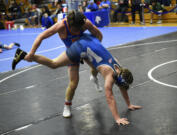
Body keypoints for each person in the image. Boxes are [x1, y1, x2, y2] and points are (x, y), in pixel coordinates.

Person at [12, 33, 142, 125]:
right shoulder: (109, 77)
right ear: (119, 78)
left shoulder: (119, 67)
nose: (124, 88)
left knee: (95, 67)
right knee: (54, 64)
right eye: (123, 85)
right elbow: (110, 98)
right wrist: (117, 118)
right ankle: (24, 55)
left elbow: (123, 87)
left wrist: (129, 104)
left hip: (89, 39)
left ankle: (93, 74)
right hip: (80, 48)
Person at [12, 10, 103, 118]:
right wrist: (31, 53)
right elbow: (41, 36)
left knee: (96, 66)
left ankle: (93, 76)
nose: (79, 30)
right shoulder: (60, 26)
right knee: (73, 82)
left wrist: (93, 48)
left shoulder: (84, 23)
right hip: (72, 51)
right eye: (76, 29)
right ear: (70, 25)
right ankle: (67, 105)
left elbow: (98, 35)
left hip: (85, 48)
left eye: (80, 28)